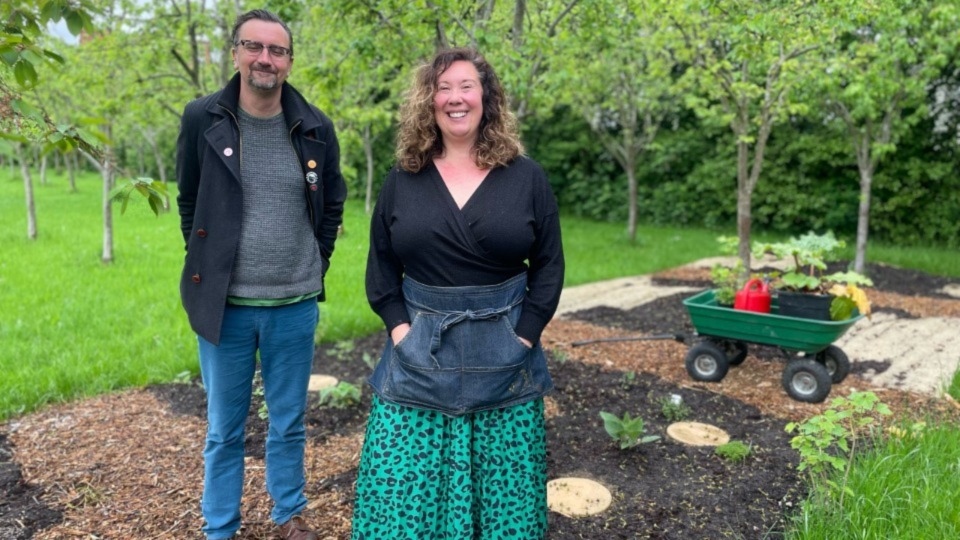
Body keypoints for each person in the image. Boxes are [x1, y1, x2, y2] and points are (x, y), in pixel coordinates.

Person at [351, 47, 565, 539]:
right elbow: (381, 270)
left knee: (504, 505)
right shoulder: (402, 180)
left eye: (466, 86)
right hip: (417, 357)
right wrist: (403, 334)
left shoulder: (527, 178)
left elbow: (550, 266)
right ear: (428, 101)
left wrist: (524, 338)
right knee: (399, 495)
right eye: (443, 88)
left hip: (506, 358)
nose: (455, 98)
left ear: (487, 98)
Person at [175, 9, 346, 540]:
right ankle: (220, 528)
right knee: (225, 431)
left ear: (289, 62)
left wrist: (315, 261)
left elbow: (333, 202)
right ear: (235, 53)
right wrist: (207, 264)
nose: (264, 59)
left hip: (293, 305)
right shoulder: (203, 118)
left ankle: (288, 515)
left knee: (289, 423)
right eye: (254, 47)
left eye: (276, 50)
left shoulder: (315, 125)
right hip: (224, 308)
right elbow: (189, 199)